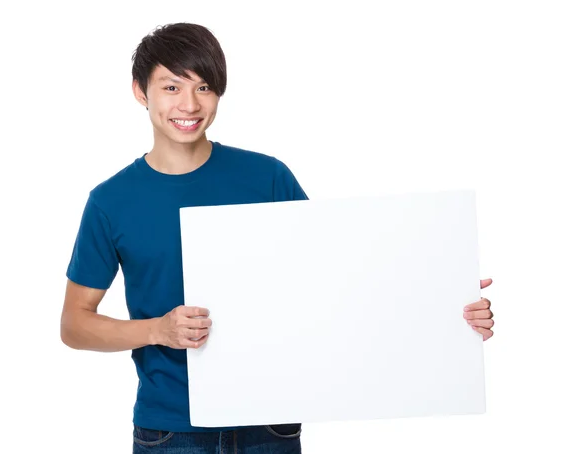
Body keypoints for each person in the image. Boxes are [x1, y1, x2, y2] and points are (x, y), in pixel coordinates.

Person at [60, 22, 495, 454]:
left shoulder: (266, 177)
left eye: (205, 87)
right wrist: (159, 330)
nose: (189, 104)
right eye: (172, 88)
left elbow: (345, 274)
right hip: (171, 432)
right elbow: (75, 324)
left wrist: (443, 303)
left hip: (270, 427)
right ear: (141, 91)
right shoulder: (111, 201)